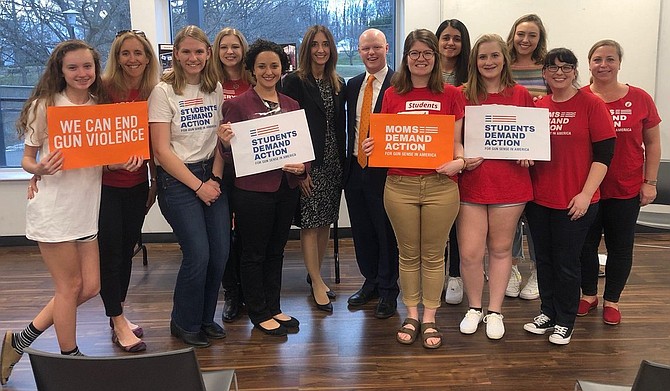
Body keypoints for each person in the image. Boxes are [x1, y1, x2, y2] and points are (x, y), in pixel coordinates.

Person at [1, 40, 108, 385]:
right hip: (54, 209)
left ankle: (19, 341)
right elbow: (27, 159)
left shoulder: (98, 106)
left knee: (89, 287)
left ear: (96, 69)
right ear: (60, 71)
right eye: (73, 67)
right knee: (69, 286)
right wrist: (40, 169)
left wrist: (123, 159)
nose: (82, 73)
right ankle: (70, 360)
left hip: (85, 208)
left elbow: (100, 155)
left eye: (87, 66)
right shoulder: (45, 106)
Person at [364, 29, 465, 349]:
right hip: (399, 186)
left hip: (440, 185)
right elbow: (383, 137)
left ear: (436, 58)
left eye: (427, 54)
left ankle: (430, 317)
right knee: (407, 255)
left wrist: (459, 162)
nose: (421, 59)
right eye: (414, 53)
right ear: (405, 58)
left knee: (434, 256)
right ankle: (411, 314)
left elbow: (457, 143)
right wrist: (371, 144)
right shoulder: (393, 93)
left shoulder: (451, 94)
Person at [524, 48, 615, 345]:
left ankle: (565, 320)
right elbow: (531, 150)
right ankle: (547, 312)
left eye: (566, 67)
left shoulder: (591, 104)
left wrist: (586, 195)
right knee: (545, 260)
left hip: (575, 201)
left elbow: (604, 156)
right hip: (539, 200)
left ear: (575, 71)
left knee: (567, 262)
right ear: (544, 73)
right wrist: (524, 158)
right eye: (553, 67)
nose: (559, 72)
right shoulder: (539, 107)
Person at [218, 39, 306, 336]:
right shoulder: (237, 105)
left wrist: (303, 168)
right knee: (253, 253)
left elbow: (300, 150)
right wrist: (225, 142)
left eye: (274, 66)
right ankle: (258, 311)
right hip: (252, 191)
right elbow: (229, 156)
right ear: (252, 70)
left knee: (276, 251)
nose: (269, 71)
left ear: (283, 68)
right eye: (262, 66)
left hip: (285, 188)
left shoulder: (292, 105)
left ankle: (274, 306)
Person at [148, 25, 229, 348]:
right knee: (198, 253)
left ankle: (206, 318)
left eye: (199, 51)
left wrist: (216, 180)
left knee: (220, 253)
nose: (193, 57)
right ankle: (184, 321)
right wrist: (199, 186)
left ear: (208, 53)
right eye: (186, 52)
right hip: (179, 180)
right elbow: (161, 151)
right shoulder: (163, 92)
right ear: (176, 55)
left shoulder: (215, 87)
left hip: (212, 173)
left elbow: (221, 139)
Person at [578, 40, 661, 325]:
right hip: (587, 189)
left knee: (621, 247)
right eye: (597, 59)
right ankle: (588, 295)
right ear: (589, 64)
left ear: (619, 63)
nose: (603, 65)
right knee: (585, 246)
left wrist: (650, 181)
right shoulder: (579, 97)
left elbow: (653, 142)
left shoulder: (640, 98)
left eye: (610, 59)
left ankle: (612, 300)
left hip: (625, 187)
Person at [456, 34, 534, 340]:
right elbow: (454, 139)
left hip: (510, 184)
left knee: (501, 250)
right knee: (470, 253)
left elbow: (532, 136)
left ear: (505, 59)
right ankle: (474, 307)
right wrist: (462, 156)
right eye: (482, 57)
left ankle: (495, 311)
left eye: (494, 56)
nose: (488, 62)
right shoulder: (461, 94)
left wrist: (529, 153)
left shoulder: (521, 94)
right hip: (471, 184)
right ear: (474, 61)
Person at [97, 30, 160, 353]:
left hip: (137, 187)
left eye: (138, 53)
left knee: (127, 250)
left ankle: (116, 312)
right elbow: (90, 141)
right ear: (116, 57)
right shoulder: (103, 90)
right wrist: (108, 166)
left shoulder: (154, 92)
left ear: (148, 57)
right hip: (104, 188)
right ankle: (118, 320)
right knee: (110, 254)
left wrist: (152, 182)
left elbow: (152, 144)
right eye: (125, 53)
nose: (132, 59)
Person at [281, 25, 346, 313]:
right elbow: (290, 126)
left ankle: (316, 275)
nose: (321, 50)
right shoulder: (294, 82)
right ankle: (318, 281)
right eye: (315, 45)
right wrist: (301, 170)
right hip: (310, 163)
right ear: (306, 49)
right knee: (309, 222)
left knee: (324, 223)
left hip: (334, 161)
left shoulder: (337, 81)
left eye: (326, 44)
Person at [343, 28, 399, 319]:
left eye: (376, 47)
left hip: (385, 171)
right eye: (365, 48)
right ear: (359, 50)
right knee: (362, 231)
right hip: (354, 168)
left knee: (385, 231)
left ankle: (390, 289)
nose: (371, 53)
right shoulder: (352, 85)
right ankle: (371, 282)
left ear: (386, 47)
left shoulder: (399, 84)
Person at [505, 13, 549, 301]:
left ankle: (536, 271)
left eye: (532, 35)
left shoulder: (548, 68)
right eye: (521, 33)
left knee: (536, 219)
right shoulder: (502, 65)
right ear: (513, 35)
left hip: (541, 157)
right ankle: (509, 269)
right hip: (505, 153)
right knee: (506, 218)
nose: (525, 40)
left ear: (539, 39)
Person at [212, 27, 253, 323]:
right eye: (224, 46)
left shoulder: (255, 81)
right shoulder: (209, 83)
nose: (230, 52)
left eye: (235, 47)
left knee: (248, 234)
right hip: (218, 168)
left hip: (251, 168)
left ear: (243, 50)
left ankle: (251, 292)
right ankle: (232, 293)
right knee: (224, 235)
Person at [435, 18, 471, 305]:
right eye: (445, 37)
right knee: (440, 222)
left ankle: (456, 274)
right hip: (432, 156)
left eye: (456, 38)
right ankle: (439, 273)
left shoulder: (471, 75)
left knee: (460, 220)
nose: (450, 43)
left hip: (466, 154)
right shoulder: (426, 75)